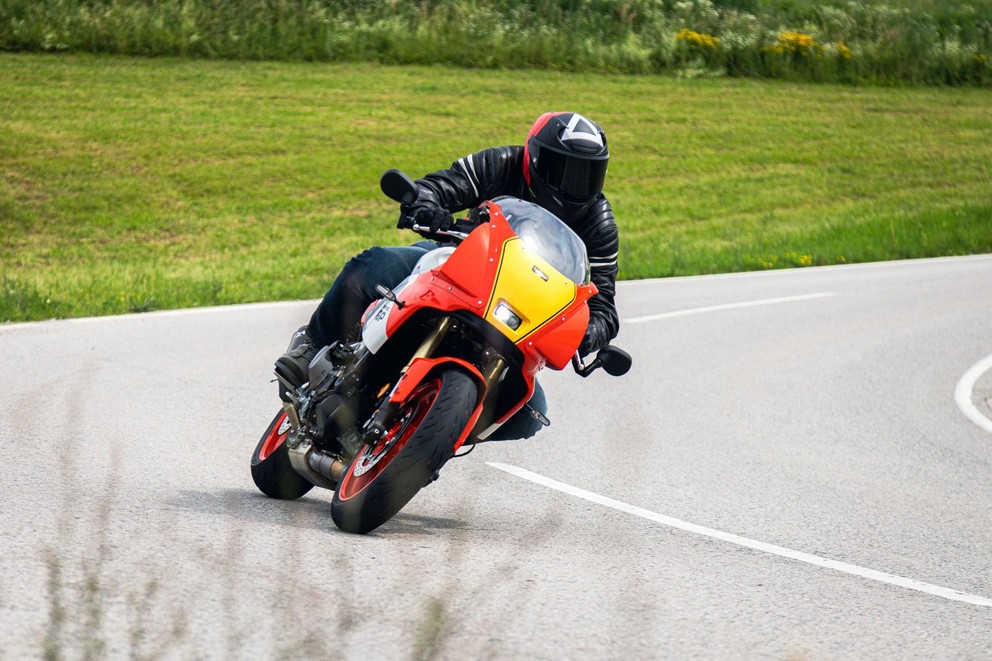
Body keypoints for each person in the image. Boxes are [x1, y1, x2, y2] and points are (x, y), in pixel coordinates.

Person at [275, 112, 620, 440]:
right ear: (534, 157)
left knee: (531, 412)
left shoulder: (599, 223)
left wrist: (591, 332)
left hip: (524, 307)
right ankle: (312, 343)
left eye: (587, 174)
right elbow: (441, 185)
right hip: (462, 261)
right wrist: (427, 205)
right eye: (563, 169)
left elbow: (603, 302)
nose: (575, 184)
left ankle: (431, 433)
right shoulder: (501, 163)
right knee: (374, 265)